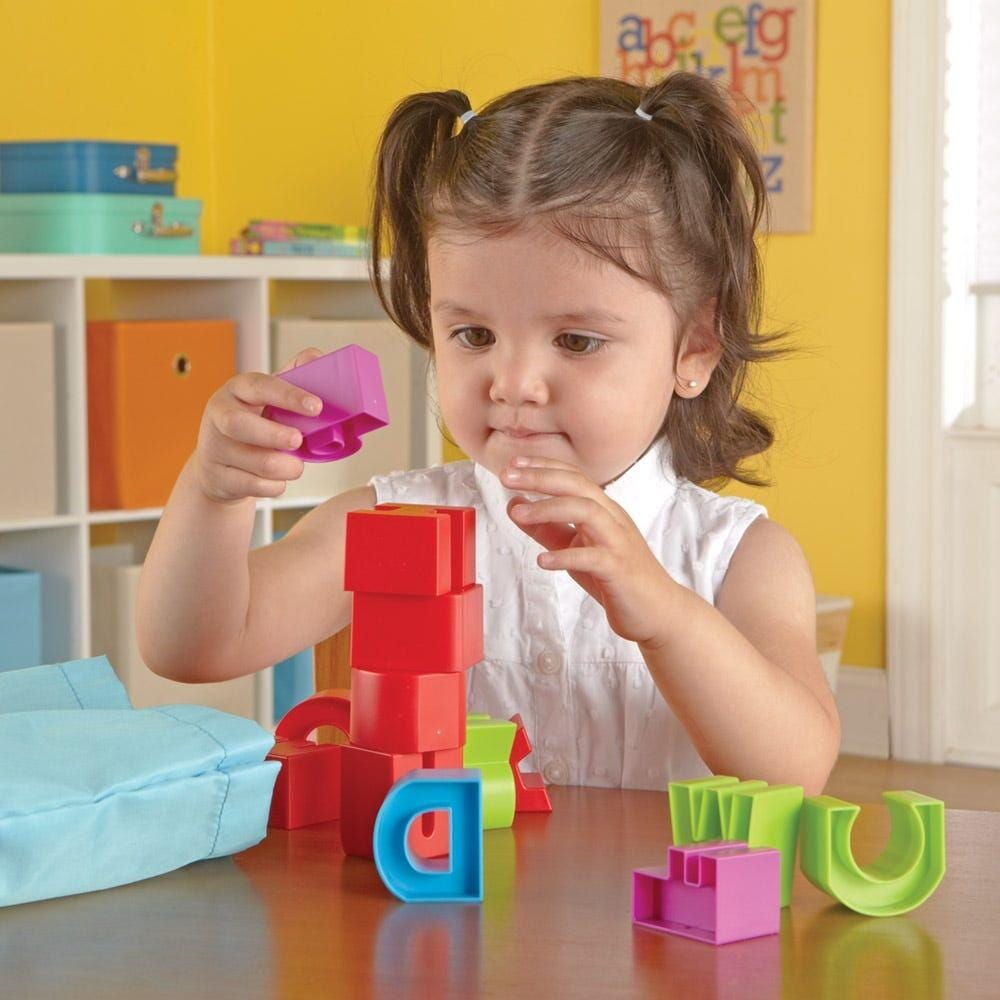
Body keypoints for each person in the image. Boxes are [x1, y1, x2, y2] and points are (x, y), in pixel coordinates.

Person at [137, 73, 840, 795]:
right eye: (473, 334)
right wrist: (215, 493)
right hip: (441, 873)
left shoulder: (738, 556)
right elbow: (196, 647)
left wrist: (667, 617)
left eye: (576, 340)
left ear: (694, 351)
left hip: (654, 878)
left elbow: (796, 769)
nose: (512, 383)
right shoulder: (392, 525)